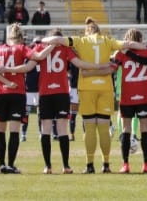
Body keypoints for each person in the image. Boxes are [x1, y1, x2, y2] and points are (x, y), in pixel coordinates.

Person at [42, 17, 144, 174]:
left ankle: (90, 165)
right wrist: (144, 47)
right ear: (98, 31)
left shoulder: (80, 41)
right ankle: (106, 164)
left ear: (87, 31)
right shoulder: (107, 40)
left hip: (87, 88)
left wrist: (47, 40)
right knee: (104, 126)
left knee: (89, 126)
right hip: (105, 87)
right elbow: (129, 44)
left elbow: (54, 39)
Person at [32, 28, 109, 174]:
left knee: (46, 130)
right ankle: (66, 166)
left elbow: (31, 63)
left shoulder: (40, 47)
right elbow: (79, 64)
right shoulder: (65, 49)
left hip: (45, 93)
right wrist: (99, 66)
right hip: (61, 92)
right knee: (62, 130)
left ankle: (47, 166)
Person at [0, 23, 39, 174]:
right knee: (14, 131)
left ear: (8, 37)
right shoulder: (22, 48)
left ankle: (1, 164)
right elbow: (29, 66)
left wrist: (3, 79)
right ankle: (11, 165)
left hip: (0, 94)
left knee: (0, 130)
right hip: (17, 93)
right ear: (20, 37)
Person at [111, 28, 147, 173]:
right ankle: (146, 164)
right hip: (143, 96)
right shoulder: (146, 51)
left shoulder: (122, 53)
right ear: (141, 39)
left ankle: (125, 164)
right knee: (145, 130)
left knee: (126, 130)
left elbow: (112, 66)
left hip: (127, 96)